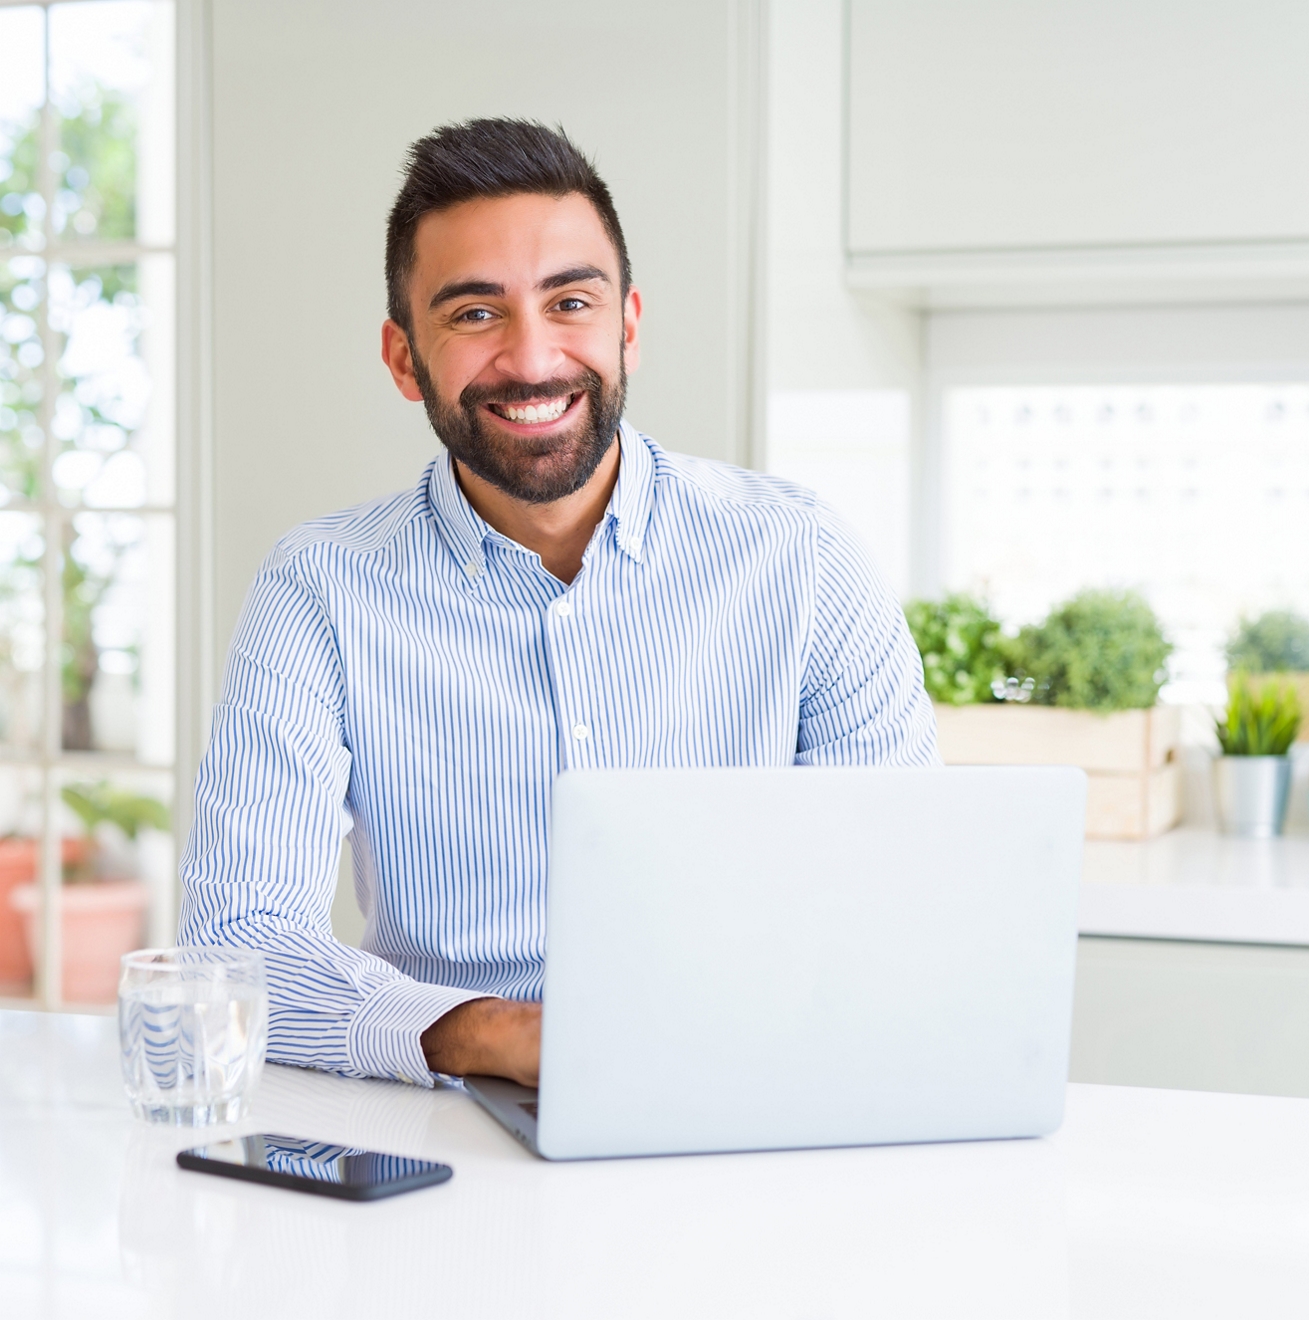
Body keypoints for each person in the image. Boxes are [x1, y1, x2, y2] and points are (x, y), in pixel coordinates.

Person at [178, 118, 938, 1090]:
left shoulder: (803, 558)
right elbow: (239, 945)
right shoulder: (318, 589)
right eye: (474, 314)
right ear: (405, 356)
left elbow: (902, 894)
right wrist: (490, 1037)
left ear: (627, 324)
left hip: (749, 1094)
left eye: (569, 302)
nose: (533, 360)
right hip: (454, 1119)